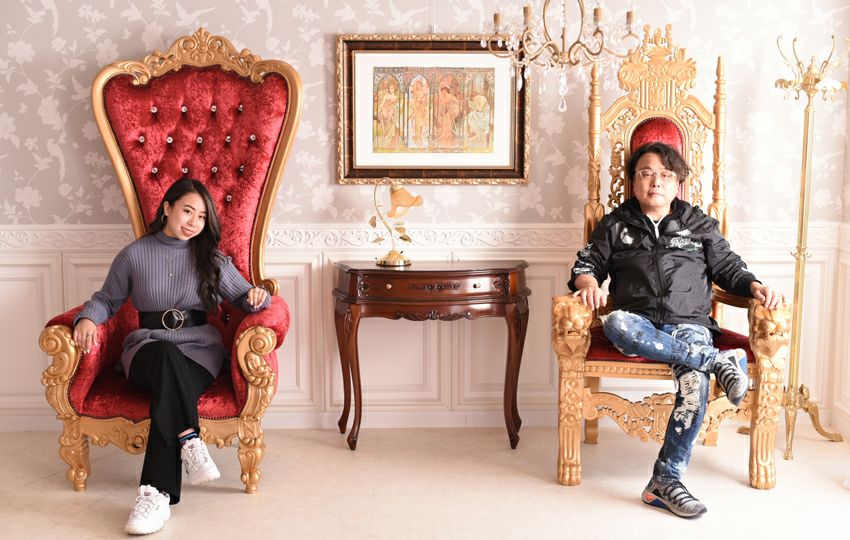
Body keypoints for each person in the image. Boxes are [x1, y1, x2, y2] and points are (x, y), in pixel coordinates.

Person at [568, 142, 784, 519]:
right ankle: (717, 361)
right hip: (637, 323)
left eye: (666, 175)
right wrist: (588, 285)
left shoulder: (697, 223)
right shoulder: (615, 224)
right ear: (634, 181)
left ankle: (664, 481)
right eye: (647, 173)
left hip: (691, 325)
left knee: (694, 383)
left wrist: (755, 286)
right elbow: (587, 266)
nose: (656, 181)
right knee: (615, 322)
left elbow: (728, 267)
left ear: (677, 183)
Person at [72, 178, 270, 535]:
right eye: (187, 211)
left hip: (199, 351)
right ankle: (190, 441)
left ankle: (155, 496)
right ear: (167, 208)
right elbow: (107, 299)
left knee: (170, 390)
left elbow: (247, 297)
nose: (194, 222)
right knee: (165, 357)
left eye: (202, 216)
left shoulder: (210, 258)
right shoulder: (134, 254)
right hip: (147, 347)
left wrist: (259, 296)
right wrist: (87, 317)